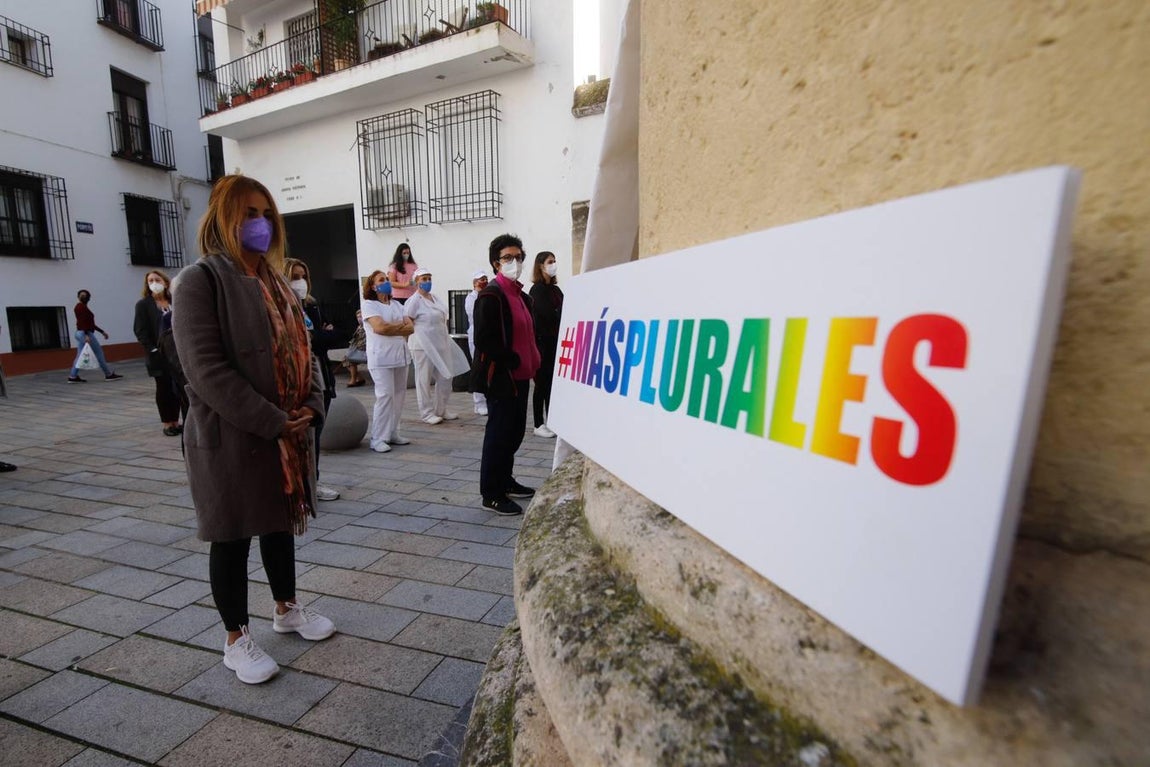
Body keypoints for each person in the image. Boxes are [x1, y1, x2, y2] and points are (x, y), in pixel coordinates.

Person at [171, 174, 335, 685]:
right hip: (232, 437)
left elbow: (303, 352)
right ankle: (235, 638)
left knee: (279, 522)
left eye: (266, 213)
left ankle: (285, 608)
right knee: (232, 535)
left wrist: (311, 403)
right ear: (222, 217)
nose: (259, 223)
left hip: (286, 432)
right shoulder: (199, 281)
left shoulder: (277, 281)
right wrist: (273, 420)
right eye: (247, 213)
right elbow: (205, 371)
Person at [471, 234, 541, 515]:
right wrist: (508, 358)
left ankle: (506, 480)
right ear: (495, 263)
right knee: (499, 434)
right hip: (502, 376)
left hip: (522, 375)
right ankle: (492, 492)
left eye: (518, 257)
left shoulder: (521, 296)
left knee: (514, 433)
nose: (514, 262)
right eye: (507, 258)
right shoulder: (491, 294)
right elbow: (484, 338)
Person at [284, 258, 341, 502]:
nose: (301, 282)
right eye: (295, 277)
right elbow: (299, 341)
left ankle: (312, 482)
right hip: (296, 379)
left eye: (304, 277)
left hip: (321, 377)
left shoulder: (312, 307)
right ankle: (295, 484)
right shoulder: (280, 307)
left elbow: (333, 336)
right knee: (298, 436)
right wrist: (318, 336)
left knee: (315, 434)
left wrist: (317, 336)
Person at [404, 268, 470, 425]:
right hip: (422, 345)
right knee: (423, 379)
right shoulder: (413, 301)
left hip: (440, 342)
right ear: (416, 281)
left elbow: (443, 317)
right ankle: (426, 413)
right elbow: (408, 322)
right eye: (424, 279)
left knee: (446, 376)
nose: (427, 282)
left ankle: (441, 409)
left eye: (429, 278)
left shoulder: (435, 298)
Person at [361, 271, 413, 452]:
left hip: (401, 356)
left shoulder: (397, 305)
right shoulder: (369, 305)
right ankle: (378, 438)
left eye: (386, 279)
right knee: (385, 396)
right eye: (381, 280)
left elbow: (411, 328)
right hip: (381, 358)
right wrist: (400, 327)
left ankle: (392, 432)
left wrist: (393, 328)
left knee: (399, 396)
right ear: (373, 286)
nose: (386, 282)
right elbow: (379, 328)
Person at [133, 270, 182, 436]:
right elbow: (140, 330)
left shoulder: (174, 301)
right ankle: (168, 423)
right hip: (158, 354)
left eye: (157, 279)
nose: (153, 282)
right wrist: (153, 349)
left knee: (178, 387)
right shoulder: (143, 305)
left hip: (177, 353)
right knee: (163, 388)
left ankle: (177, 421)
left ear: (165, 282)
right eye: (150, 280)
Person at [529, 251, 563, 438]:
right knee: (541, 384)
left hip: (556, 342)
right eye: (550, 262)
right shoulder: (537, 290)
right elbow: (547, 314)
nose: (554, 264)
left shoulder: (556, 290)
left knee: (552, 384)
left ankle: (552, 419)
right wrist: (558, 312)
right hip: (542, 343)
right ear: (541, 265)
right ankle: (538, 423)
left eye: (554, 261)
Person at [68, 289, 123, 383]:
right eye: (81, 295)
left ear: (88, 298)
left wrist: (102, 331)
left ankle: (73, 376)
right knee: (99, 353)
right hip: (85, 333)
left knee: (79, 355)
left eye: (85, 295)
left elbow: (90, 324)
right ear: (78, 297)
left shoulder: (82, 307)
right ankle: (108, 375)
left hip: (81, 333)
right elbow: (82, 322)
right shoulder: (80, 307)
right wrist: (86, 335)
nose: (83, 296)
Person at [464, 270, 489, 416]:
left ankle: (487, 398)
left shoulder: (488, 295)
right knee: (478, 367)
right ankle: (479, 402)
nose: (484, 282)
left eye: (485, 279)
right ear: (474, 283)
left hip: (487, 335)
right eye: (481, 279)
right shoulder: (471, 298)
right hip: (476, 336)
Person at [343, 312, 367, 387]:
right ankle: (359, 377)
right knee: (346, 359)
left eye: (361, 316)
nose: (359, 318)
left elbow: (362, 342)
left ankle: (353, 380)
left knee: (349, 359)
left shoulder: (367, 327)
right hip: (360, 349)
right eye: (358, 317)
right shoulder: (359, 327)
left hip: (365, 350)